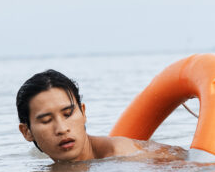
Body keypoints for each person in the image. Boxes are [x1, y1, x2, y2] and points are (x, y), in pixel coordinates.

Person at [16, 69, 145, 162]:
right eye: (46, 120)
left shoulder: (122, 156)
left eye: (68, 114)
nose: (62, 129)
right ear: (27, 132)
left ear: (83, 112)